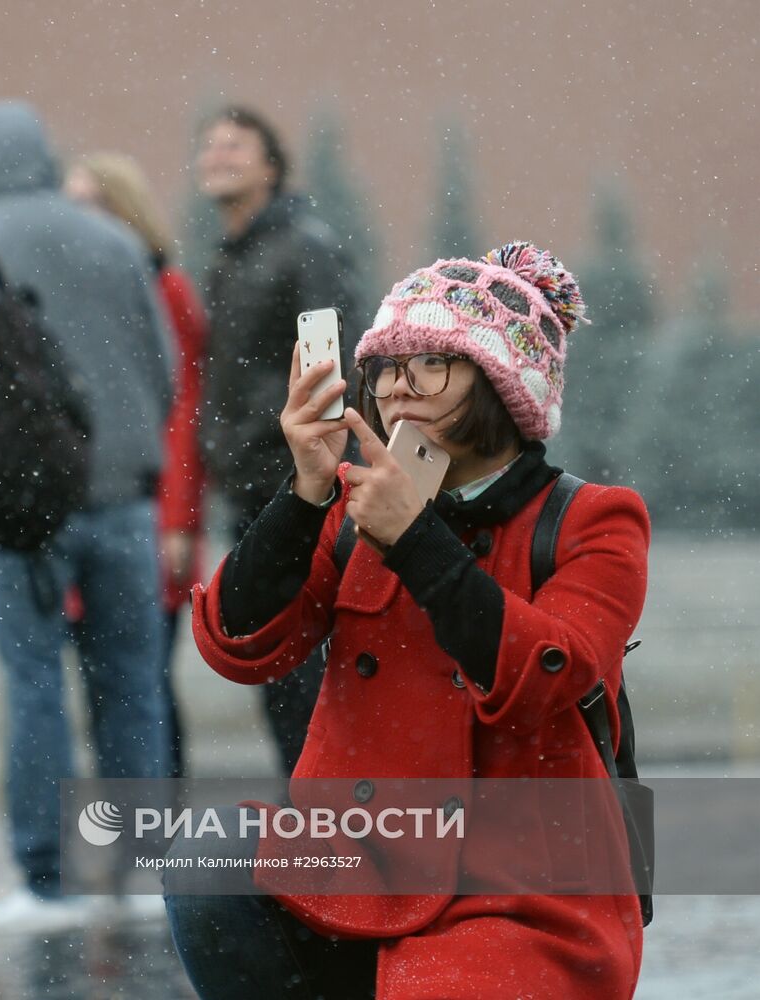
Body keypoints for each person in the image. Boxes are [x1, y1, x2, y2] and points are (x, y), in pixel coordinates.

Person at [171, 242, 649, 997]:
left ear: (499, 380)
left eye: (431, 362)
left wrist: (415, 539)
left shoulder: (593, 520)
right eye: (387, 365)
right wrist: (303, 494)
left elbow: (544, 680)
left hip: (525, 885)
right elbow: (240, 644)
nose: (398, 385)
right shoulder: (354, 507)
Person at [0, 101, 175, 923]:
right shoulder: (114, 240)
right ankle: (143, 867)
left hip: (23, 507)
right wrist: (125, 448)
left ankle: (47, 878)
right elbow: (162, 367)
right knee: (131, 686)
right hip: (123, 499)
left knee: (34, 685)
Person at [194, 105, 360, 774]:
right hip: (247, 484)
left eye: (235, 145)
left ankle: (327, 818)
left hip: (293, 484)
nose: (217, 155)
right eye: (209, 144)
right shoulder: (230, 258)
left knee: (302, 665)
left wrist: (306, 467)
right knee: (269, 658)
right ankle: (306, 808)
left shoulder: (303, 245)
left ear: (270, 165)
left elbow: (325, 360)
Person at [65, 152, 209, 779]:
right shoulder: (70, 293)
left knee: (142, 688)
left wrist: (177, 521)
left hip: (146, 518)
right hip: (87, 513)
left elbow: (183, 410)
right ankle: (127, 846)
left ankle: (156, 844)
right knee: (105, 691)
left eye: (90, 205)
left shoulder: (162, 287)